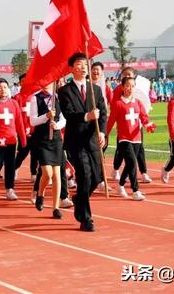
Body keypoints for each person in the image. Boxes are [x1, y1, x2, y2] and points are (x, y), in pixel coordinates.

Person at [58, 53, 107, 232]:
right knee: (84, 175)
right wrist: (87, 116)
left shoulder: (95, 90)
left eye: (85, 64)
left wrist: (102, 131)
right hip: (76, 142)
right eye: (79, 64)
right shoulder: (64, 91)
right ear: (71, 69)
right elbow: (69, 114)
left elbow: (103, 113)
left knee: (96, 177)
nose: (83, 67)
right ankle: (85, 218)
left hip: (92, 141)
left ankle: (79, 198)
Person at [107, 77, 156, 201]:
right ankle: (135, 190)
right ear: (122, 87)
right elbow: (111, 121)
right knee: (133, 163)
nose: (130, 88)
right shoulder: (118, 104)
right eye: (127, 86)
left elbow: (144, 117)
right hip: (124, 139)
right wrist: (104, 134)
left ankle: (121, 184)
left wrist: (148, 125)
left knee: (129, 164)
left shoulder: (138, 103)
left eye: (132, 86)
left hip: (137, 138)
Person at [0, 78, 26, 200]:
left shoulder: (13, 103)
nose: (2, 90)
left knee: (10, 165)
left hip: (11, 140)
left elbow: (19, 122)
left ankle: (9, 189)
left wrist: (23, 138)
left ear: (8, 89)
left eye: (4, 87)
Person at [31, 83, 67, 219]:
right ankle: (40, 193)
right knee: (47, 172)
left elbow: (64, 118)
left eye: (50, 81)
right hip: (42, 139)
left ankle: (55, 208)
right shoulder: (35, 98)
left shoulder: (58, 97)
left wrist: (57, 125)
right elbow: (33, 121)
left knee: (57, 175)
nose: (47, 84)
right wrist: (46, 116)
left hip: (56, 139)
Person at [13, 74, 37, 184]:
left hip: (35, 128)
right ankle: (15, 168)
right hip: (23, 129)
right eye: (23, 81)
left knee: (35, 152)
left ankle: (33, 173)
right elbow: (16, 115)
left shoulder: (35, 96)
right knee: (23, 152)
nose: (25, 83)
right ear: (20, 83)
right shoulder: (17, 98)